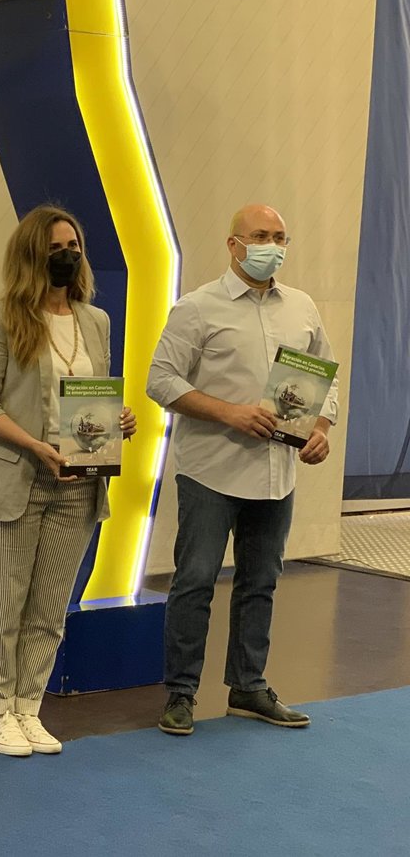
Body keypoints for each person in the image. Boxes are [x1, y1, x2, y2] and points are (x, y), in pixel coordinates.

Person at [146, 203, 337, 735]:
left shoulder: (302, 307)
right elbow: (160, 380)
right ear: (233, 244)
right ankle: (181, 692)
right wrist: (229, 412)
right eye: (259, 236)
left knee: (261, 582)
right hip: (210, 471)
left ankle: (248, 688)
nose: (270, 246)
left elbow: (327, 379)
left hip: (277, 474)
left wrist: (321, 429)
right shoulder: (196, 307)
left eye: (279, 236)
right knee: (195, 581)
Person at [0, 204, 135, 757]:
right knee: (2, 607)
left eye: (74, 247)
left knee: (49, 609)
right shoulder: (0, 318)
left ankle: (28, 709)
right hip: (15, 483)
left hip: (79, 485)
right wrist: (35, 446)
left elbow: (91, 398)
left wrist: (118, 420)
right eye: (56, 248)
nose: (68, 256)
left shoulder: (96, 321)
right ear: (32, 255)